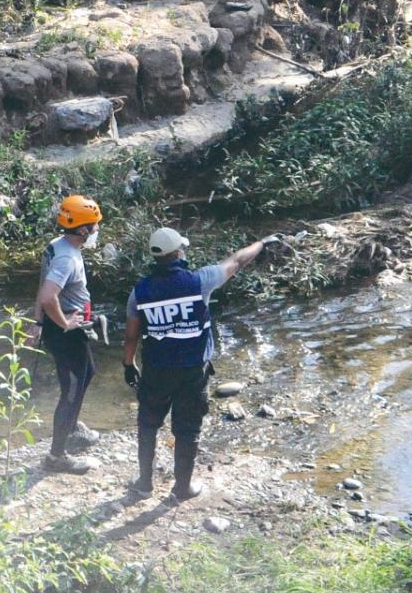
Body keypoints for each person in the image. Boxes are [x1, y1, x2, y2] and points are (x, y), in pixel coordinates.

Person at [122, 228, 282, 500]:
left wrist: (128, 364)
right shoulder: (200, 281)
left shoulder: (140, 291)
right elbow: (237, 261)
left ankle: (144, 484)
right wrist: (262, 243)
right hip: (192, 371)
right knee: (187, 428)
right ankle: (182, 487)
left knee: (148, 424)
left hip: (156, 370)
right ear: (178, 253)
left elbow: (131, 334)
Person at [28, 194, 103, 474]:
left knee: (89, 372)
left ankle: (72, 429)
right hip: (65, 333)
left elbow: (42, 283)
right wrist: (64, 324)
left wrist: (38, 322)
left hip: (61, 327)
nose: (97, 230)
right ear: (82, 230)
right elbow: (49, 296)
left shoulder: (55, 246)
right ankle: (57, 455)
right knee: (71, 390)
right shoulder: (67, 259)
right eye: (94, 226)